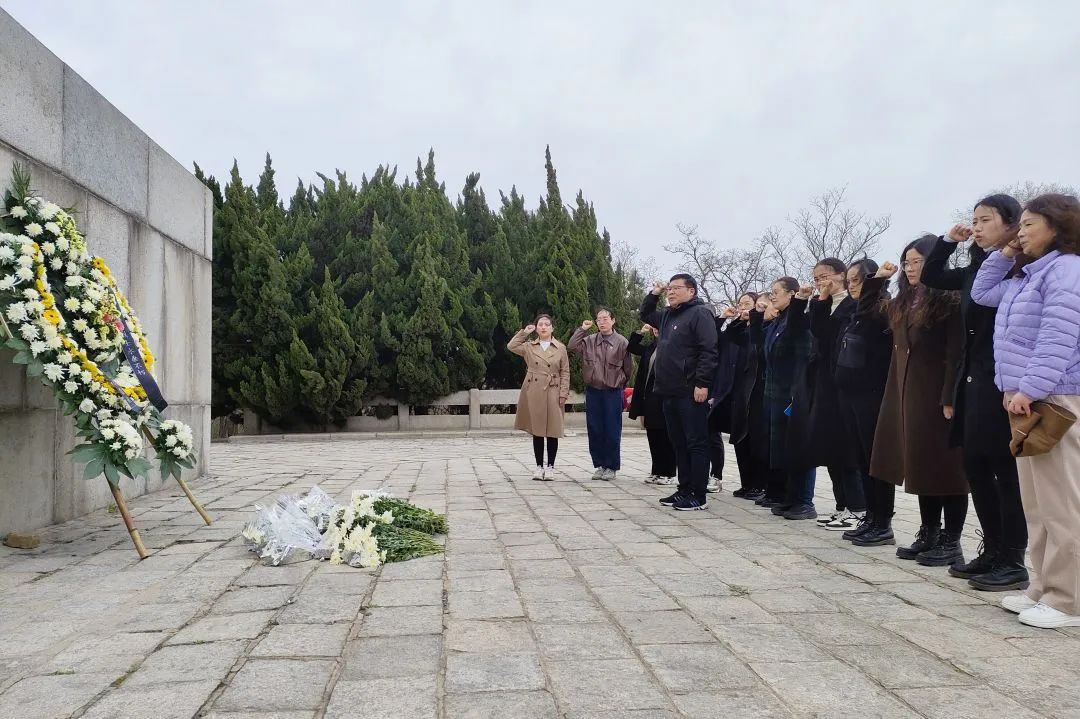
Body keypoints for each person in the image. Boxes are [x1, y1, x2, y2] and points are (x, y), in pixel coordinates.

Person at [971, 193, 1080, 629]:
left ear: (1057, 226)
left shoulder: (1067, 270)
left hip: (1055, 398)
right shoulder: (1027, 275)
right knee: (1036, 502)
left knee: (1062, 502)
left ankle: (1069, 599)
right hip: (1027, 399)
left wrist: (1030, 387)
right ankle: (1043, 587)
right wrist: (1006, 252)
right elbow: (982, 293)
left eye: (1029, 225)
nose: (1021, 232)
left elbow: (1059, 336)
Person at [922, 194, 1030, 592]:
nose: (978, 226)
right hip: (971, 379)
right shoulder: (976, 267)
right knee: (977, 468)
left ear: (1011, 224)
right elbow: (933, 275)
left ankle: (1013, 558)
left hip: (1001, 380)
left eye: (986, 220)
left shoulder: (1019, 268)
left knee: (1005, 471)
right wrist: (948, 241)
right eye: (974, 220)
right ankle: (992, 549)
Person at [870, 235, 968, 567]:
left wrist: (949, 396)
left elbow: (956, 351)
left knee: (948, 469)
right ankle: (928, 532)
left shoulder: (950, 300)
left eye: (918, 262)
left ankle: (951, 540)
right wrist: (877, 281)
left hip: (937, 396)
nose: (911, 268)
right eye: (908, 262)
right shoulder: (903, 302)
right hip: (906, 395)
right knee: (922, 466)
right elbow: (870, 311)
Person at [640, 274, 719, 510]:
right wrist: (654, 293)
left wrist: (702, 383)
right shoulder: (667, 316)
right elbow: (645, 314)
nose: (671, 292)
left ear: (691, 291)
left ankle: (698, 495)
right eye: (669, 289)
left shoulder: (700, 313)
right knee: (678, 443)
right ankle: (683, 489)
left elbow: (709, 350)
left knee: (696, 443)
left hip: (690, 390)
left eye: (676, 288)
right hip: (668, 390)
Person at [833, 259, 896, 546]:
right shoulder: (855, 311)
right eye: (848, 282)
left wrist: (877, 281)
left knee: (877, 459)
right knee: (861, 458)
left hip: (872, 393)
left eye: (857, 281)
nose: (851, 287)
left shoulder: (881, 307)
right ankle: (871, 516)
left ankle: (882, 521)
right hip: (851, 394)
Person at [800, 258, 866, 532]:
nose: (820, 282)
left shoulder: (852, 304)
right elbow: (816, 332)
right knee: (828, 448)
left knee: (847, 450)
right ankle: (842, 505)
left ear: (841, 275)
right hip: (825, 384)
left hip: (846, 384)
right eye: (816, 278)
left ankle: (859, 507)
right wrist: (820, 301)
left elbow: (830, 334)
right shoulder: (825, 304)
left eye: (825, 276)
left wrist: (826, 301)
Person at [758, 278, 817, 520]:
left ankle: (804, 500)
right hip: (775, 393)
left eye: (776, 293)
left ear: (792, 294)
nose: (772, 297)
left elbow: (802, 354)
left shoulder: (799, 321)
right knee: (782, 447)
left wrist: (798, 393)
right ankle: (789, 497)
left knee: (799, 446)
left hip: (794, 393)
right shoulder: (778, 320)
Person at [569, 308, 634, 481]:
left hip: (613, 391)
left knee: (612, 430)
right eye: (599, 319)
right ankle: (599, 465)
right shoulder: (589, 340)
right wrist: (582, 329)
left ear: (613, 320)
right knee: (595, 429)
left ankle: (611, 466)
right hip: (593, 391)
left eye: (605, 319)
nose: (602, 322)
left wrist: (621, 384)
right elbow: (572, 346)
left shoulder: (622, 342)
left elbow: (628, 368)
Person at [508, 315, 570, 481]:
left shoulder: (560, 348)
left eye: (547, 324)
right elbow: (511, 346)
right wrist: (524, 332)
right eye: (540, 324)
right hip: (534, 389)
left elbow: (565, 371)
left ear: (552, 328)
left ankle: (550, 466)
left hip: (553, 389)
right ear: (536, 328)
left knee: (552, 430)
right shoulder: (529, 346)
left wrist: (564, 392)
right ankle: (538, 466)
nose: (543, 327)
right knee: (537, 431)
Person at [628, 324, 676, 485]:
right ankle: (656, 470)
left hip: (664, 397)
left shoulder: (672, 346)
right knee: (653, 436)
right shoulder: (651, 347)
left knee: (666, 437)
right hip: (648, 398)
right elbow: (632, 347)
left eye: (660, 326)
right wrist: (640, 332)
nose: (657, 329)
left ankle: (668, 473)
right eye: (655, 327)